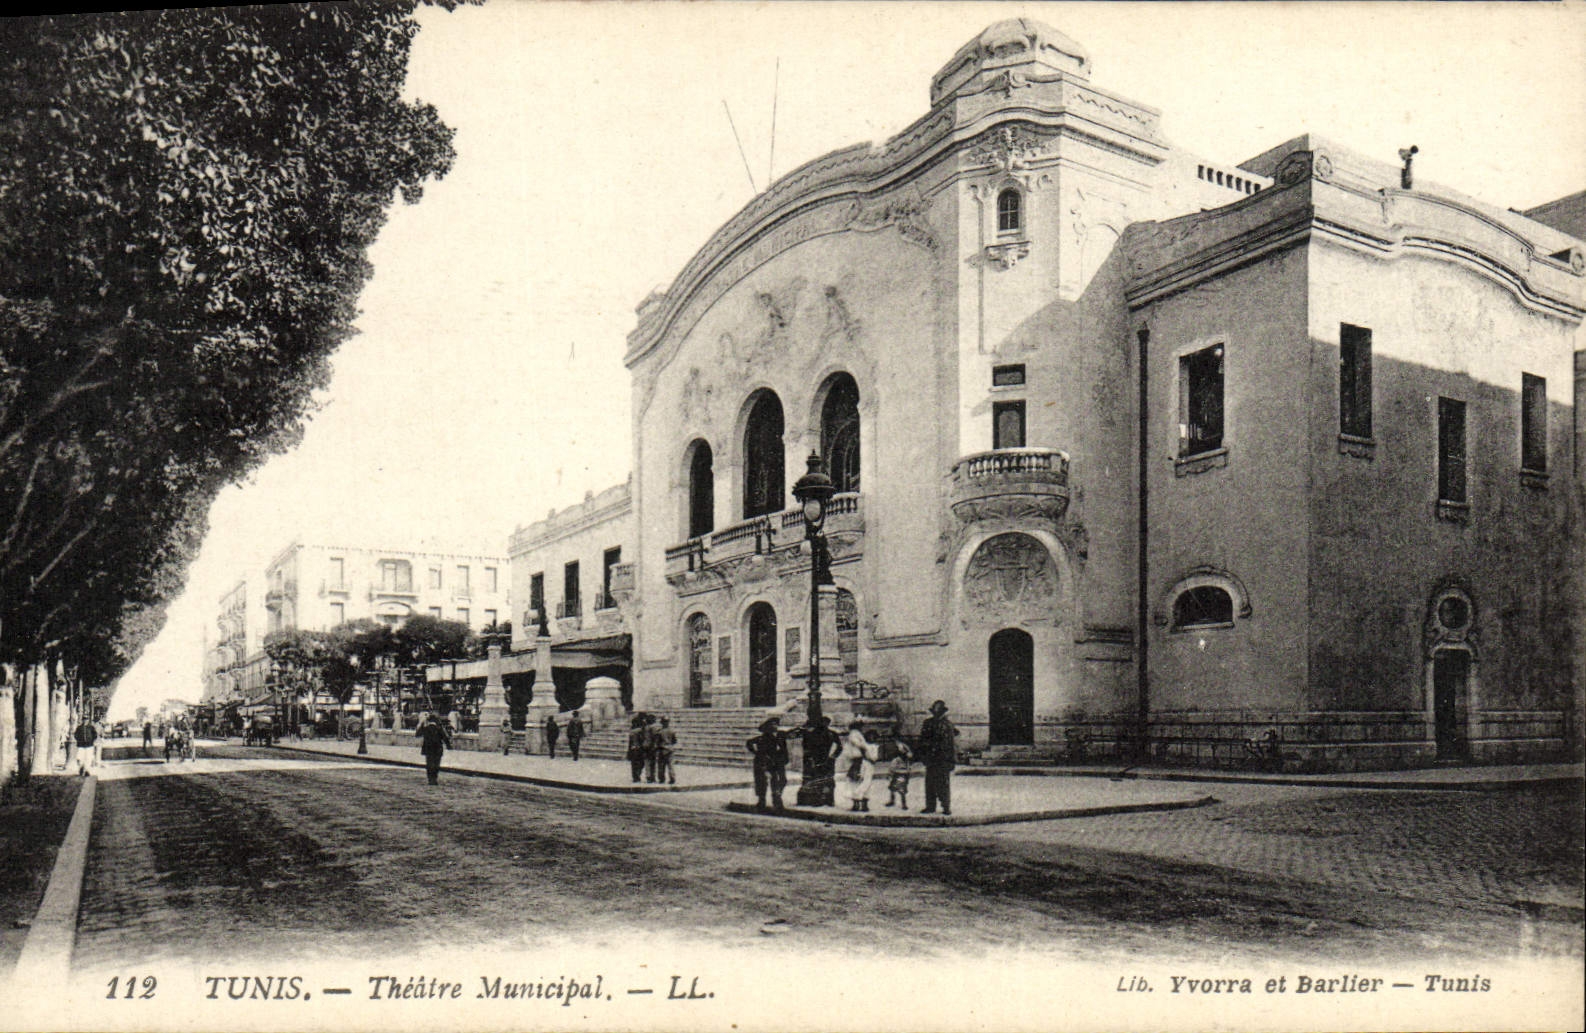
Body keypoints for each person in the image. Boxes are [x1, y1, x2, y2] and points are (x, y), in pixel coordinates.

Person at [917, 699, 959, 816]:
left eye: (938, 712)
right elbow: (922, 740)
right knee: (930, 783)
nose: (937, 714)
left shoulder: (947, 725)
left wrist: (952, 760)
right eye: (935, 711)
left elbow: (951, 744)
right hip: (931, 759)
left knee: (943, 784)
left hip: (943, 759)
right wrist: (923, 755)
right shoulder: (928, 723)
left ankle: (946, 806)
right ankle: (930, 806)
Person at [834, 723, 881, 812]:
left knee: (862, 782)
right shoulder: (855, 735)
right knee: (860, 782)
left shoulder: (860, 738)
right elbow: (861, 746)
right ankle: (859, 803)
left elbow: (872, 756)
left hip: (864, 763)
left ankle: (861, 803)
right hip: (861, 763)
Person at [746, 717, 789, 812]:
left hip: (778, 762)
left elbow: (784, 749)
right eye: (772, 725)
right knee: (763, 782)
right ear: (767, 728)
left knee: (783, 780)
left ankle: (776, 797)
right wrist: (756, 753)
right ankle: (766, 801)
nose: (775, 726)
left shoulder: (781, 736)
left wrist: (785, 759)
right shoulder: (763, 738)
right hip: (765, 762)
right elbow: (749, 742)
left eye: (776, 724)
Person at [799, 715, 842, 807]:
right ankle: (817, 800)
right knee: (817, 780)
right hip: (816, 760)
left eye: (827, 723)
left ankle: (829, 799)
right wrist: (810, 759)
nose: (825, 725)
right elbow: (806, 747)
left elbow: (839, 747)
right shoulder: (812, 734)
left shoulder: (832, 734)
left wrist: (833, 756)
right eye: (823, 722)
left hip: (828, 761)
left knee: (829, 780)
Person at [416, 712, 452, 785]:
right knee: (436, 764)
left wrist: (422, 724)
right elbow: (445, 737)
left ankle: (430, 779)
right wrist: (449, 746)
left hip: (428, 749)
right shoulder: (439, 728)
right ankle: (434, 778)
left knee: (429, 764)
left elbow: (417, 734)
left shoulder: (426, 728)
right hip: (437, 749)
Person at [885, 739, 914, 809]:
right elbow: (892, 767)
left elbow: (892, 768)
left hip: (900, 774)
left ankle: (902, 803)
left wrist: (889, 774)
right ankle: (894, 801)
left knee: (900, 790)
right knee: (895, 789)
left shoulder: (903, 760)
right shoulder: (899, 760)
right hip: (899, 774)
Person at [653, 716, 677, 784]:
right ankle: (672, 778)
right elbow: (674, 741)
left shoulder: (659, 732)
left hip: (662, 749)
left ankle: (661, 778)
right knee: (670, 765)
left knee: (661, 765)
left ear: (662, 723)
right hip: (670, 749)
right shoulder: (672, 731)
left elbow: (657, 742)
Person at [626, 715, 648, 782]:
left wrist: (628, 751)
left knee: (634, 763)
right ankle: (637, 775)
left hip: (633, 749)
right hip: (639, 748)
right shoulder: (640, 731)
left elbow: (630, 742)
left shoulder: (632, 731)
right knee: (641, 763)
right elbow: (642, 739)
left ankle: (635, 777)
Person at [643, 714, 663, 782]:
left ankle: (649, 777)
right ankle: (652, 777)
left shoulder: (646, 727)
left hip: (647, 746)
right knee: (653, 762)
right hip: (652, 746)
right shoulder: (654, 727)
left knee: (647, 762)